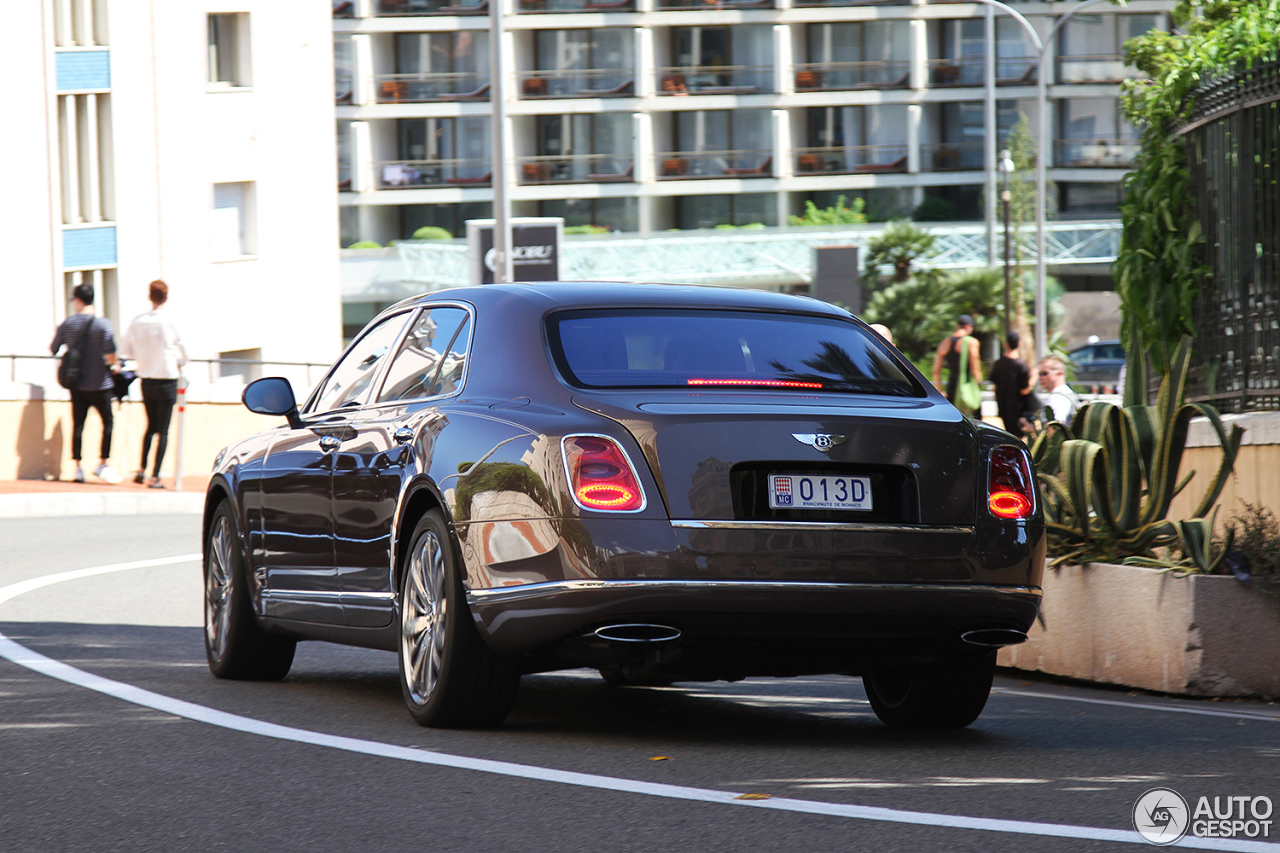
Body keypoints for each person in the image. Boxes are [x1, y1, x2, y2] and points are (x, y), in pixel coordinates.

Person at [50, 283, 122, 484]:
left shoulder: (68, 324)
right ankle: (103, 462)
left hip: (77, 383)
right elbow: (111, 355)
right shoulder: (103, 324)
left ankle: (78, 467)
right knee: (108, 423)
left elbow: (54, 348)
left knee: (78, 424)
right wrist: (115, 366)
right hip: (101, 383)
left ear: (78, 300)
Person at [121, 280, 188, 489]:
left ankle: (141, 469)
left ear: (150, 296)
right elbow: (185, 354)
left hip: (146, 379)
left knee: (150, 426)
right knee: (164, 429)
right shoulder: (170, 321)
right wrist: (178, 363)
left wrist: (140, 358)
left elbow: (126, 349)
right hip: (167, 378)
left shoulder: (137, 322)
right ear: (165, 298)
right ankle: (155, 475)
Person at [932, 314, 982, 413]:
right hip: (968, 388)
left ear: (957, 326)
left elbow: (936, 371)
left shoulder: (945, 343)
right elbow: (975, 369)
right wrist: (978, 387)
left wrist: (940, 390)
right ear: (968, 326)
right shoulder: (971, 342)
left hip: (952, 389)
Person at [989, 330, 1033, 434]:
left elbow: (995, 386)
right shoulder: (1021, 365)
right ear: (1018, 344)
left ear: (1006, 344)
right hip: (1018, 409)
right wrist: (1034, 378)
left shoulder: (998, 364)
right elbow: (1024, 390)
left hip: (1003, 407)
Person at [1036, 355, 1081, 426]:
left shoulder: (1057, 398)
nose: (1040, 378)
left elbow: (1055, 429)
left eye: (1044, 373)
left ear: (1059, 373)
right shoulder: (1067, 393)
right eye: (1039, 374)